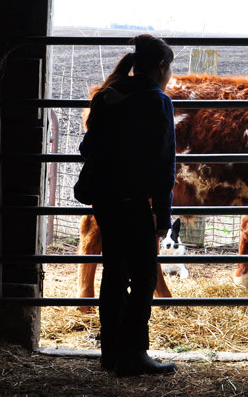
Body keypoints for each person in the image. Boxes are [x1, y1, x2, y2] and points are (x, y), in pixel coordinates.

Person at [76, 34, 177, 376]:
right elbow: (165, 164)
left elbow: (86, 148)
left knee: (115, 273)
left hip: (104, 199)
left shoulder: (111, 95)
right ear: (161, 67)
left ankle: (110, 353)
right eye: (169, 69)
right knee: (145, 276)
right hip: (134, 201)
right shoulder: (157, 101)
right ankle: (134, 352)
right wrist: (163, 213)